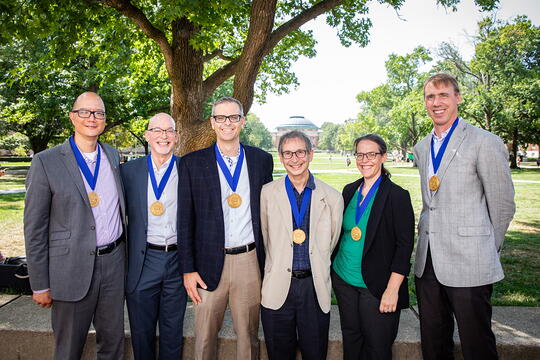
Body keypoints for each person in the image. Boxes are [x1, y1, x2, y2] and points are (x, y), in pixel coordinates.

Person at [414, 73, 516, 360]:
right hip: (428, 263)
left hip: (471, 262)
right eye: (430, 97)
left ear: (457, 98)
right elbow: (430, 203)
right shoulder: (422, 147)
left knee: (476, 344)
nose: (436, 102)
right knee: (434, 343)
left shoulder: (485, 141)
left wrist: (485, 247)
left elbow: (503, 203)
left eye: (443, 95)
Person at [24, 92, 126, 359]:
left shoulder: (113, 156)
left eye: (99, 113)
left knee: (113, 344)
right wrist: (40, 284)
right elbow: (34, 228)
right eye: (85, 112)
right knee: (68, 349)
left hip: (114, 265)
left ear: (104, 120)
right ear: (72, 117)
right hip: (70, 270)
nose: (92, 118)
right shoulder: (46, 161)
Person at [179, 96, 274, 360]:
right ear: (212, 123)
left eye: (233, 117)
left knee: (248, 337)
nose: (227, 123)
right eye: (220, 117)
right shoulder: (191, 163)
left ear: (242, 121)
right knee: (205, 338)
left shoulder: (261, 160)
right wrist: (188, 269)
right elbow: (184, 220)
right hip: (207, 263)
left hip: (249, 261)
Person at [260, 131, 343, 360]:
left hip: (313, 288)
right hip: (278, 285)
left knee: (315, 353)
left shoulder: (333, 197)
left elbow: (332, 241)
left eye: (300, 152)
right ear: (280, 156)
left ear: (311, 154)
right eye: (288, 153)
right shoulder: (267, 193)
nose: (294, 158)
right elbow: (266, 237)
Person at [331, 134, 414, 360]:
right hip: (344, 279)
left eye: (371, 154)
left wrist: (392, 289)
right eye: (360, 154)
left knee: (377, 347)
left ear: (383, 157)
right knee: (351, 338)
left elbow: (404, 247)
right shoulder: (349, 190)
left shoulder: (397, 196)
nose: (364, 160)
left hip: (377, 286)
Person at [121, 113, 187, 359]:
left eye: (169, 131)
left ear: (176, 137)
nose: (163, 136)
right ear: (147, 136)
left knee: (173, 332)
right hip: (143, 260)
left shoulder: (187, 168)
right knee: (141, 332)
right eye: (157, 131)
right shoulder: (127, 172)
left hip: (177, 261)